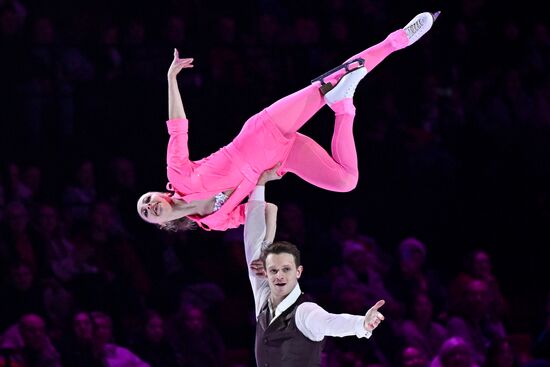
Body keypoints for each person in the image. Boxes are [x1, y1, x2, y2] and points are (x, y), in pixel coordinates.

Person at [137, 11, 441, 231]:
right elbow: (263, 212)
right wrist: (264, 255)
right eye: (147, 213)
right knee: (346, 181)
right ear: (160, 223)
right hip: (279, 161)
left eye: (147, 200)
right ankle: (344, 107)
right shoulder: (214, 222)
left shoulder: (178, 176)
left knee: (330, 82)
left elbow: (178, 127)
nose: (150, 206)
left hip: (261, 134)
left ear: (158, 193)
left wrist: (171, 78)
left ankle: (397, 40)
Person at [242, 165, 386, 366]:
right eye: (274, 270)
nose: (279, 276)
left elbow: (330, 322)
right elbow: (253, 244)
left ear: (298, 272)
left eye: (286, 269)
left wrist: (361, 323)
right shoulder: (264, 298)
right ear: (266, 272)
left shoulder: (304, 312)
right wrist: (259, 185)